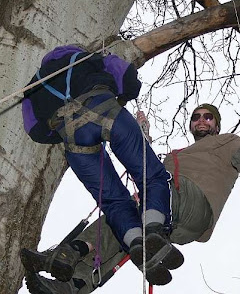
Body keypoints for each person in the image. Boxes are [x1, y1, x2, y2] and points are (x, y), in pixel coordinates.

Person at [21, 103, 240, 294]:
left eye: (208, 117)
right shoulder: (179, 154)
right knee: (122, 224)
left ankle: (70, 251)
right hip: (175, 223)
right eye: (196, 117)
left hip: (194, 202)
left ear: (217, 125)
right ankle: (74, 283)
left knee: (136, 205)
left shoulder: (228, 142)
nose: (201, 120)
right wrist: (142, 136)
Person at [21, 45, 183, 288]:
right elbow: (129, 80)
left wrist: (65, 131)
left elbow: (35, 130)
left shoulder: (35, 84)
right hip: (107, 110)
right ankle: (154, 228)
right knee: (151, 176)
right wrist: (119, 96)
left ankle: (135, 241)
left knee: (113, 200)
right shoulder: (89, 57)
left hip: (72, 135)